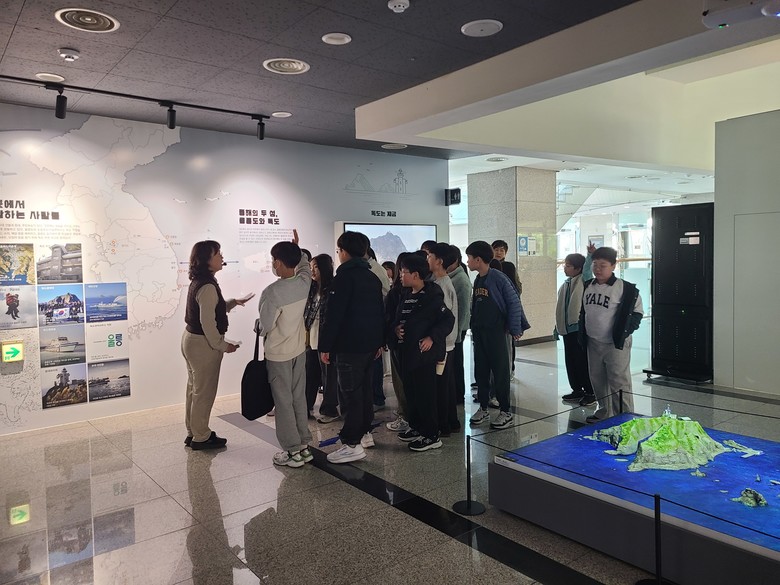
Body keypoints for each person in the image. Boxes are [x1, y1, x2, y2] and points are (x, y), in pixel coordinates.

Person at [318, 231, 385, 464]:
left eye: (339, 251)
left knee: (350, 395)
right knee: (364, 392)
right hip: (368, 346)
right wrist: (379, 342)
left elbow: (333, 317)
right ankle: (364, 433)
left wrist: (325, 346)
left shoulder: (343, 279)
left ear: (344, 252)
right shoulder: (372, 277)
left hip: (349, 347)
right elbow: (379, 314)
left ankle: (352, 444)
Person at [182, 240, 249, 450]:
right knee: (204, 392)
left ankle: (194, 432)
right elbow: (208, 323)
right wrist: (223, 345)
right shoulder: (208, 286)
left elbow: (211, 310)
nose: (222, 257)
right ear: (207, 260)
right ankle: (201, 437)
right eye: (218, 254)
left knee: (195, 389)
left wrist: (232, 302)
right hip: (202, 345)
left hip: (191, 340)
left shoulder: (201, 281)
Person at [256, 230, 313, 467]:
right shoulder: (304, 283)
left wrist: (259, 325)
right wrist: (298, 249)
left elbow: (265, 326)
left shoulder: (272, 292)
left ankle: (291, 451)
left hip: (278, 354)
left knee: (282, 401)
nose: (273, 264)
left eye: (273, 260)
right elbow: (305, 267)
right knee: (298, 397)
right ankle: (304, 445)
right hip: (298, 350)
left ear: (278, 262)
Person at [388, 254, 454, 451]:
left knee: (425, 395)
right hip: (406, 353)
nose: (400, 276)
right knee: (412, 393)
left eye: (403, 272)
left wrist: (431, 337)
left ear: (415, 275)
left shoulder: (432, 296)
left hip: (424, 356)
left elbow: (447, 320)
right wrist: (396, 329)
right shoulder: (407, 294)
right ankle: (417, 427)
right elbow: (400, 319)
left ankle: (431, 435)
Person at [466, 240, 529, 429]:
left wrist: (515, 328)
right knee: (481, 371)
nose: (467, 262)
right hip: (480, 333)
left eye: (469, 258)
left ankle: (505, 411)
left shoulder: (498, 278)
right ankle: (484, 407)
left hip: (497, 333)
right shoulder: (478, 279)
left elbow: (514, 302)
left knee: (500, 373)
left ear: (478, 259)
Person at [579, 246, 643, 423]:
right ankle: (604, 412)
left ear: (614, 266)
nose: (598, 269)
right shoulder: (588, 285)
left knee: (619, 381)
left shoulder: (625, 288)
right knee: (597, 380)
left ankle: (625, 417)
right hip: (593, 342)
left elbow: (637, 313)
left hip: (615, 343)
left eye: (603, 265)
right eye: (595, 265)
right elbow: (584, 312)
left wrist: (625, 331)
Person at [427, 242, 460, 435]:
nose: (427, 259)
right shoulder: (440, 282)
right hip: (445, 342)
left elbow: (444, 318)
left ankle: (444, 425)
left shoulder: (442, 285)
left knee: (441, 386)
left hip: (442, 344)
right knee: (446, 385)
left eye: (430, 256)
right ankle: (451, 422)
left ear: (439, 261)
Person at [555, 251, 595, 406]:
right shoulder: (565, 284)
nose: (565, 268)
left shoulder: (583, 280)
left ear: (578, 269)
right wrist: (556, 327)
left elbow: (587, 269)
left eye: (568, 266)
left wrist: (590, 255)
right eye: (565, 265)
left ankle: (590, 392)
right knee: (570, 362)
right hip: (566, 330)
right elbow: (561, 309)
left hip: (578, 330)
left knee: (581, 362)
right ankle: (577, 389)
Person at [304, 253, 339, 423]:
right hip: (311, 338)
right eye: (311, 267)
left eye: (315, 267)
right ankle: (306, 406)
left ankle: (330, 410)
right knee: (310, 374)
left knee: (328, 377)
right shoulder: (311, 289)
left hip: (325, 340)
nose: (312, 270)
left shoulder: (332, 288)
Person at [384, 252, 412, 433]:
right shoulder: (424, 290)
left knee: (401, 381)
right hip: (406, 344)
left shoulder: (396, 293)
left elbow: (388, 317)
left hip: (403, 345)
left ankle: (405, 415)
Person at [446, 245, 471, 405]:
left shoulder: (461, 279)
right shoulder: (450, 276)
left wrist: (457, 333)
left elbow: (463, 309)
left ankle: (458, 395)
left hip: (457, 329)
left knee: (456, 363)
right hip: (452, 329)